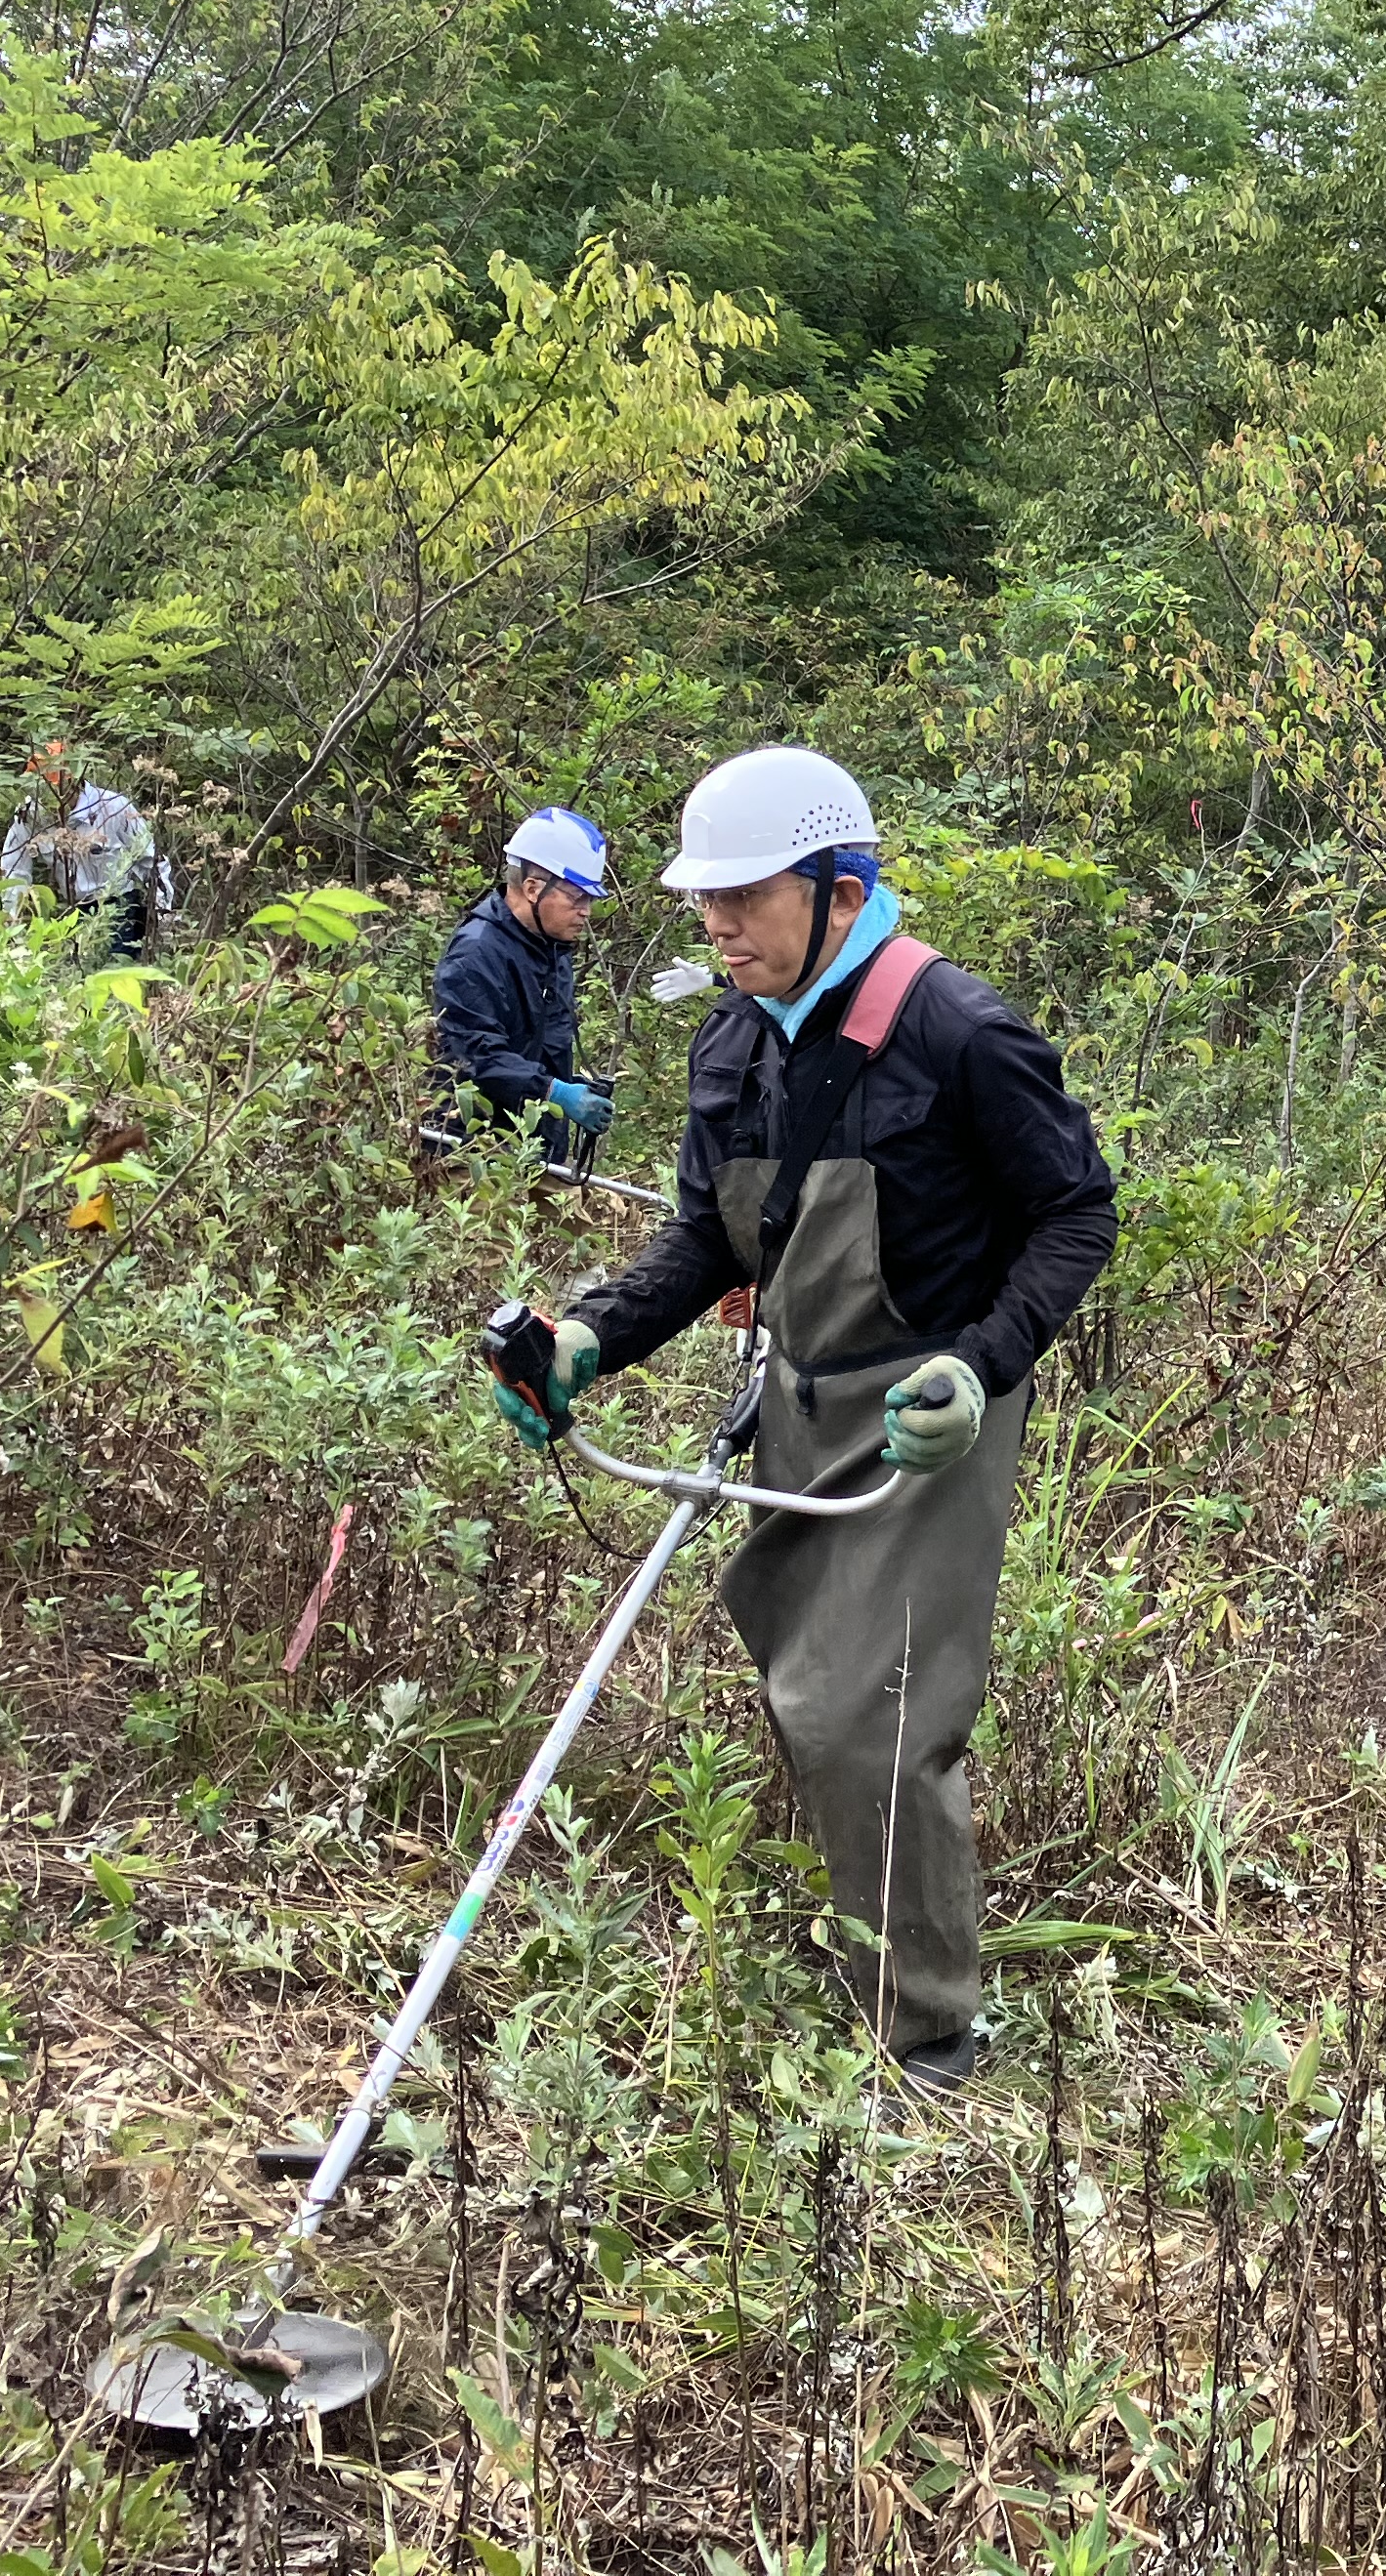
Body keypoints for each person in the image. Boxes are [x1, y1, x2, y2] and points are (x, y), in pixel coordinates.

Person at [483, 747, 1116, 2093]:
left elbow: (1076, 1213)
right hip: (802, 1389)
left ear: (839, 889)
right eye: (703, 901)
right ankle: (864, 1922)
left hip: (933, 1411)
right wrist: (593, 1338)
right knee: (799, 1668)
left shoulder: (959, 1029)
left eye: (744, 899)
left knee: (874, 1711)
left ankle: (927, 2033)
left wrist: (986, 1366)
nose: (715, 927)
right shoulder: (730, 1039)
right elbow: (712, 1242)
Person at [431, 809, 616, 1164]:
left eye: (590, 900)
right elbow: (474, 1057)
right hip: (474, 1158)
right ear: (532, 888)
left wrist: (570, 1084)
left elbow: (537, 1043)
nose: (586, 911)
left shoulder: (550, 946)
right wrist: (554, 1090)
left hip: (535, 1154)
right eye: (577, 897)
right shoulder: (476, 953)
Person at [0, 745, 169, 960]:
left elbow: (152, 861)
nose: (44, 794)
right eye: (38, 786)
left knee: (116, 969)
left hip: (120, 906)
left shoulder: (113, 807)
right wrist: (12, 928)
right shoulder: (28, 817)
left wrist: (161, 915)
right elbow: (14, 873)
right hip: (73, 911)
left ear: (71, 780)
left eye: (49, 785)